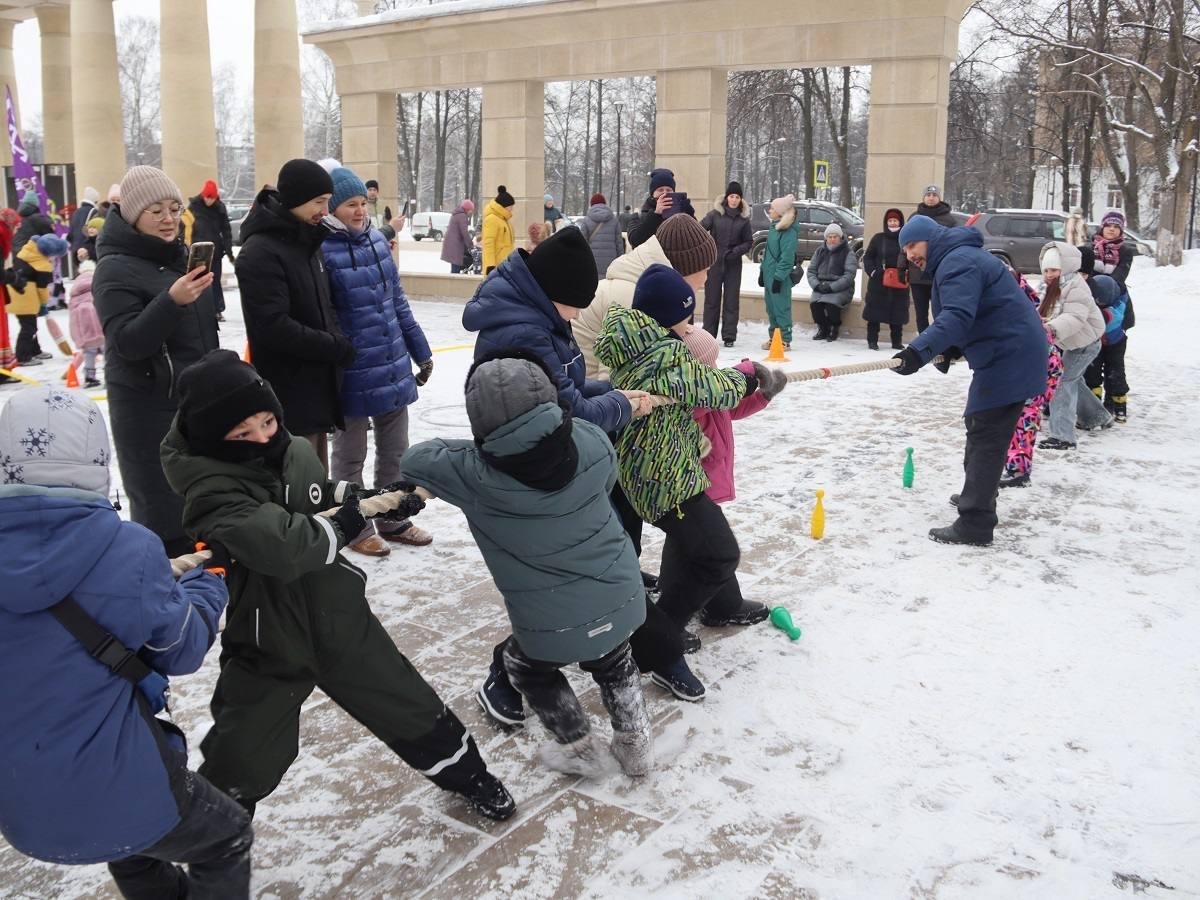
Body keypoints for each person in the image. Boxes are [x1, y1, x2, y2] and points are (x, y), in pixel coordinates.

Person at [160, 349, 516, 822]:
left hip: (338, 613)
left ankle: (468, 774)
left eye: (268, 422)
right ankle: (217, 827)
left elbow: (316, 494)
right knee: (244, 744)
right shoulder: (212, 492)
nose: (262, 438)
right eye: (243, 434)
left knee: (405, 700)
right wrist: (349, 523)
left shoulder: (292, 451)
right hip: (269, 635)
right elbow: (287, 545)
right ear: (212, 441)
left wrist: (367, 500)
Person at [0, 386, 252, 899]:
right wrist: (211, 577)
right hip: (117, 781)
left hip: (20, 801)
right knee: (225, 837)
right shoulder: (126, 549)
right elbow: (180, 648)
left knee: (134, 846)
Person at [463, 228, 704, 716]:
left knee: (594, 574)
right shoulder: (522, 333)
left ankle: (655, 649)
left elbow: (568, 390)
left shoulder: (538, 317)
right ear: (554, 297)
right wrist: (619, 406)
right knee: (569, 586)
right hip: (535, 474)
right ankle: (506, 676)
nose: (576, 316)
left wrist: (611, 393)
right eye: (573, 307)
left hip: (561, 465)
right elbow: (556, 412)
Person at [400, 351, 654, 778]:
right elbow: (607, 479)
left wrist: (475, 448)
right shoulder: (590, 440)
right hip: (619, 595)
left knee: (524, 667)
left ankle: (579, 749)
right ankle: (635, 745)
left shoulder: (471, 475)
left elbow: (416, 459)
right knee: (615, 661)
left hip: (551, 623)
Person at [594, 264, 771, 655]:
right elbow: (712, 389)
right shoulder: (661, 356)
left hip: (663, 467)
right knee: (718, 554)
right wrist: (746, 376)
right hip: (662, 477)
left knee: (698, 544)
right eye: (685, 320)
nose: (688, 329)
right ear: (667, 318)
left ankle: (715, 608)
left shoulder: (635, 342)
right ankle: (656, 635)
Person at [891, 215, 1048, 546]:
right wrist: (949, 350)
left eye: (912, 245)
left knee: (986, 433)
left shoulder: (957, 260)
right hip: (1008, 352)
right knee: (982, 426)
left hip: (1009, 356)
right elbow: (976, 313)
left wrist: (917, 353)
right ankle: (975, 497)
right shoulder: (959, 257)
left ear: (930, 239)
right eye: (904, 249)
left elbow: (958, 316)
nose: (909, 255)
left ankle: (976, 521)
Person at [92, 165, 217, 556]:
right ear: (132, 215)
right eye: (156, 210)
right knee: (164, 517)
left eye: (174, 208)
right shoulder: (112, 267)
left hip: (195, 403)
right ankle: (169, 607)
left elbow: (199, 337)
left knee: (204, 507)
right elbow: (127, 343)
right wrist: (172, 300)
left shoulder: (178, 257)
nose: (168, 219)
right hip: (149, 411)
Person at [322, 167, 435, 556]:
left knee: (395, 450)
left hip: (391, 365)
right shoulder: (321, 249)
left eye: (361, 203)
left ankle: (393, 517)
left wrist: (419, 349)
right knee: (350, 454)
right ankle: (352, 527)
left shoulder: (375, 241)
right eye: (349, 205)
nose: (358, 211)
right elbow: (326, 316)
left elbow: (397, 304)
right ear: (331, 209)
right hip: (352, 371)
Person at [236, 158, 356, 471]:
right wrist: (334, 346)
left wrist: (337, 338)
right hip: (288, 394)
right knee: (298, 487)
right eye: (319, 202)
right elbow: (273, 327)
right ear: (296, 200)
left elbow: (323, 305)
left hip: (316, 389)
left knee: (316, 483)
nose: (325, 211)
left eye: (328, 202)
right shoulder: (261, 251)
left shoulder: (307, 240)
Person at [575, 212, 721, 381]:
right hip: (590, 391)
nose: (706, 279)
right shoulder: (632, 299)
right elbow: (617, 381)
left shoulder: (648, 289)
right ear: (688, 268)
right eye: (706, 269)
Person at [682, 325, 787, 502]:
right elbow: (704, 404)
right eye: (708, 365)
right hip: (694, 484)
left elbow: (733, 409)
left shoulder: (712, 394)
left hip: (713, 477)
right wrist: (745, 370)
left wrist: (764, 395)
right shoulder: (688, 399)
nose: (716, 368)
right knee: (699, 527)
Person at [1036, 241, 1110, 450]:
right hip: (1073, 341)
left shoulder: (1076, 287)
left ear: (1066, 268)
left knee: (1061, 382)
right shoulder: (1050, 286)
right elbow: (1039, 308)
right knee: (1071, 379)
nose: (1049, 274)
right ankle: (1098, 417)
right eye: (1047, 270)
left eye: (1054, 270)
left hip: (1086, 342)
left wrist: (1050, 328)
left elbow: (1074, 317)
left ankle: (1063, 436)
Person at [998, 259, 1064, 488]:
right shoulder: (1017, 301)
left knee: (1024, 418)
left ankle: (1019, 471)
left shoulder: (1015, 308)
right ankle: (1011, 463)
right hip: (1034, 368)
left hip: (1038, 371)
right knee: (1017, 417)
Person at [1084, 210, 1136, 422]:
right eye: (1108, 226)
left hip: (1116, 300)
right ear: (1102, 227)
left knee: (1115, 361)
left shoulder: (1125, 251)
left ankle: (1115, 402)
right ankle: (1094, 403)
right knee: (1093, 360)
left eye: (1116, 226)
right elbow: (1086, 272)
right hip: (1091, 301)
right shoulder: (1090, 248)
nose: (1111, 229)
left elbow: (1120, 275)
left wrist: (1104, 288)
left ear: (1121, 230)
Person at [699, 181, 753, 347]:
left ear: (741, 199)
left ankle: (729, 336)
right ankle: (708, 334)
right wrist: (709, 247)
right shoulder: (715, 214)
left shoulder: (744, 220)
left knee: (731, 301)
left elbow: (749, 242)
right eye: (732, 196)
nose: (734, 200)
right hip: (715, 262)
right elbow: (701, 229)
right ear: (727, 197)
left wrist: (735, 252)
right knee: (711, 300)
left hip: (733, 264)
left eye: (737, 197)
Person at [901, 184, 957, 332]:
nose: (931, 198)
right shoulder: (914, 217)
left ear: (939, 197)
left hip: (939, 274)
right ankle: (924, 344)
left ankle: (943, 344)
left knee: (941, 312)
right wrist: (901, 267)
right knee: (921, 313)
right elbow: (906, 244)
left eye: (934, 195)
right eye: (928, 195)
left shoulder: (949, 219)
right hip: (917, 274)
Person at [8, 233, 68, 366]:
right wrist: (43, 304)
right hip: (27, 297)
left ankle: (35, 350)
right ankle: (23, 356)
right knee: (29, 328)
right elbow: (42, 289)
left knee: (30, 325)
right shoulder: (43, 266)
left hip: (15, 293)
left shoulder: (26, 251)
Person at [182, 180, 236, 322]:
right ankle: (201, 309)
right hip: (198, 250)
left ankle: (217, 309)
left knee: (214, 280)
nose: (209, 201)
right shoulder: (194, 206)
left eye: (212, 198)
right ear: (203, 195)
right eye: (207, 197)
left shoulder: (220, 208)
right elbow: (187, 228)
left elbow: (226, 231)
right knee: (199, 280)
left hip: (215, 250)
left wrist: (229, 253)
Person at [861, 208, 910, 350]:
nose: (893, 223)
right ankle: (872, 341)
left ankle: (896, 342)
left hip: (899, 281)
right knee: (874, 314)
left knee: (897, 314)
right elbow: (868, 257)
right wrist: (873, 272)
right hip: (879, 282)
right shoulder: (878, 238)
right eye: (890, 220)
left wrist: (907, 273)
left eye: (895, 220)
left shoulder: (906, 239)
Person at [759, 194, 800, 349]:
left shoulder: (788, 232)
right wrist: (762, 272)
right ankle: (774, 337)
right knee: (771, 308)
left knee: (781, 308)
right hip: (769, 274)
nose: (769, 211)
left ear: (780, 212)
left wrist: (778, 277)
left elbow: (787, 258)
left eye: (772, 208)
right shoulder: (774, 228)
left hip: (779, 277)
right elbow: (768, 254)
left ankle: (785, 339)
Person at [806, 222, 858, 342]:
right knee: (815, 305)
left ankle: (834, 327)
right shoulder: (820, 251)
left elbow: (849, 275)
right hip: (821, 285)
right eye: (830, 237)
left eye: (835, 237)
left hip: (841, 287)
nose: (832, 239)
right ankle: (822, 328)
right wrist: (816, 285)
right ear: (826, 238)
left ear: (840, 238)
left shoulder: (848, 252)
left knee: (831, 304)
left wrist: (832, 287)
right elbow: (811, 271)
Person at [627, 168, 695, 248]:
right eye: (660, 190)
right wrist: (655, 215)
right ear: (652, 193)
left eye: (668, 190)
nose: (664, 193)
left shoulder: (679, 213)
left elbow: (696, 240)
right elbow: (635, 241)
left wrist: (689, 215)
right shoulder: (639, 215)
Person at [68, 258, 105, 388]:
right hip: (97, 314)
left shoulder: (76, 286)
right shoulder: (98, 281)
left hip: (81, 319)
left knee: (89, 350)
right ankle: (109, 375)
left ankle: (90, 377)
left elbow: (71, 308)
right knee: (106, 348)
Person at [577, 192, 625, 277]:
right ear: (605, 204)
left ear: (591, 205)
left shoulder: (586, 220)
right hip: (611, 261)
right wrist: (620, 260)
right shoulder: (614, 220)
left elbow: (581, 244)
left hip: (592, 261)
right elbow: (619, 243)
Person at [481, 185, 515, 274]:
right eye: (510, 206)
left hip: (505, 266)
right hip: (496, 267)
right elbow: (488, 244)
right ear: (504, 206)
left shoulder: (504, 220)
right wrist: (490, 266)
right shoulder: (492, 219)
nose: (512, 209)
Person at [440, 198, 475, 273]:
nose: (471, 212)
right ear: (467, 209)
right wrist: (471, 245)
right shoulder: (462, 216)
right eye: (471, 210)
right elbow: (464, 232)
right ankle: (453, 284)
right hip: (455, 245)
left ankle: (452, 283)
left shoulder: (457, 214)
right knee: (456, 268)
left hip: (452, 243)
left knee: (455, 266)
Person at [68, 185, 101, 260]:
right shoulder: (94, 212)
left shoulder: (76, 212)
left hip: (76, 251)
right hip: (87, 250)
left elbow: (70, 234)